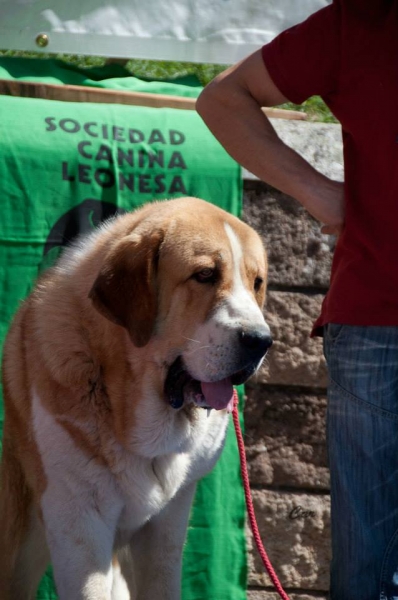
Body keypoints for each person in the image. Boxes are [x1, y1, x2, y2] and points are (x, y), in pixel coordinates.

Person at [196, 1, 398, 599]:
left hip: (375, 323)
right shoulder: (360, 22)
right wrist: (318, 193)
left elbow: (222, 100)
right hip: (376, 321)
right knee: (366, 569)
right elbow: (221, 100)